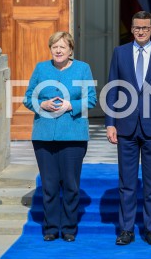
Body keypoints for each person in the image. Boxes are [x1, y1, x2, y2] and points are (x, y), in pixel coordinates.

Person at [105, 11, 151, 246]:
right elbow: (112, 89)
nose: (141, 32)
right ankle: (126, 230)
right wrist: (110, 123)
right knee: (126, 182)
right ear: (132, 28)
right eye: (137, 28)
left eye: (145, 28)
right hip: (125, 127)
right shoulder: (120, 53)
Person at [23, 31, 97, 242]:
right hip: (44, 136)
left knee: (71, 185)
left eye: (62, 47)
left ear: (70, 50)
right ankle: (51, 228)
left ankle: (69, 228)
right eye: (55, 46)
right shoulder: (41, 68)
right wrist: (42, 104)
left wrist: (70, 105)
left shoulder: (83, 69)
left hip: (73, 136)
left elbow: (91, 99)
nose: (58, 50)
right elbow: (28, 98)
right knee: (49, 184)